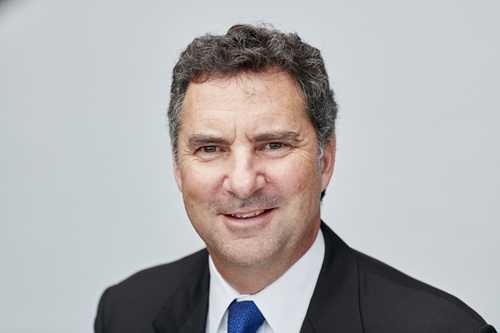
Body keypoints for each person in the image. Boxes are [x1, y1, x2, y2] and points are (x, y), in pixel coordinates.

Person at [94, 24, 496, 333]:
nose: (242, 182)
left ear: (325, 159)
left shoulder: (442, 329)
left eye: (273, 145)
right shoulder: (126, 312)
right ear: (178, 168)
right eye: (210, 149)